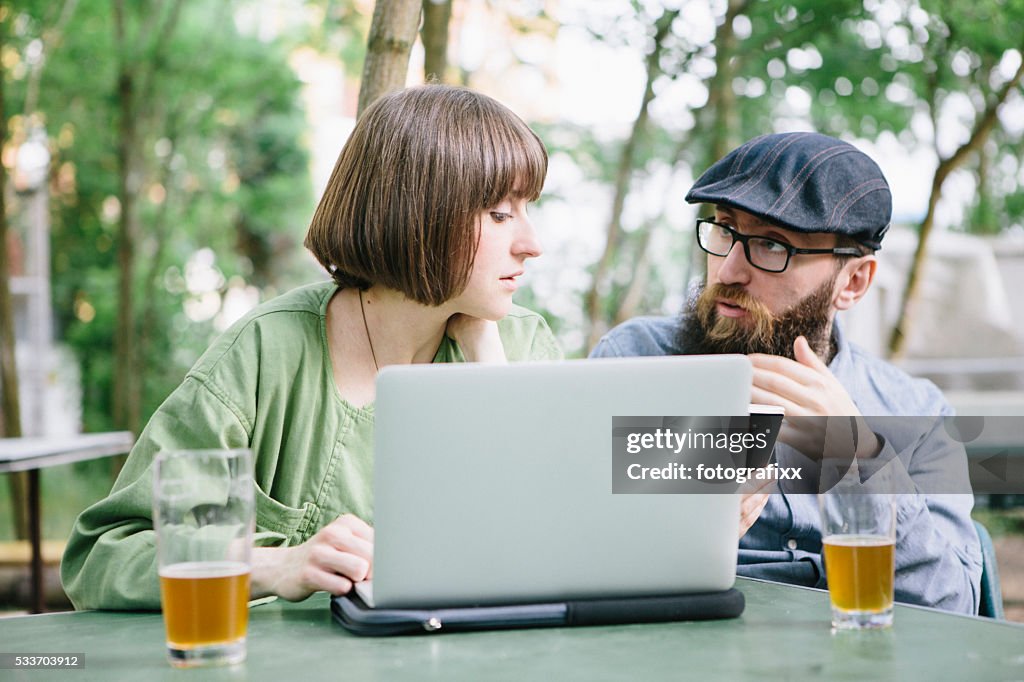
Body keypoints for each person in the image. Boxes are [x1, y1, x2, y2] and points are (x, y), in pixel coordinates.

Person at [61, 85, 562, 610]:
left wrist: (492, 370)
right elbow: (102, 557)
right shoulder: (265, 353)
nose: (532, 243)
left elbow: (565, 541)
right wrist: (275, 565)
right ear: (418, 214)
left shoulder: (520, 345)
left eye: (527, 210)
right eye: (500, 215)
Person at [590, 132, 982, 614]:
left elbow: (951, 604)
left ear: (853, 282)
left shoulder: (917, 413)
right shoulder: (635, 364)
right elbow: (579, 553)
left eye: (773, 246)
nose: (729, 270)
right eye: (724, 230)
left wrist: (858, 458)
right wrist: (682, 530)